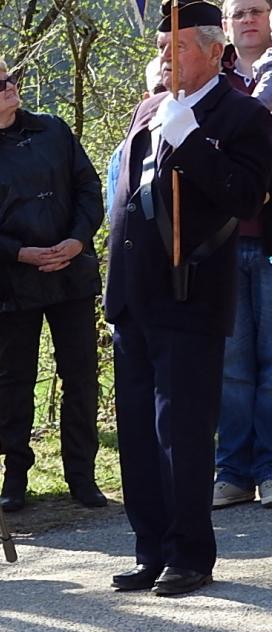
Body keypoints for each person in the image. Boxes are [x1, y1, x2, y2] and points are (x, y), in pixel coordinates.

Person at [106, 0, 272, 596]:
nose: (166, 57)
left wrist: (194, 140)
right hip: (133, 294)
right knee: (138, 435)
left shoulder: (242, 115)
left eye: (178, 47)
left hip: (189, 290)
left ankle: (190, 554)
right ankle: (150, 547)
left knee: (181, 430)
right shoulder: (151, 106)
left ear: (213, 50)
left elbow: (245, 196)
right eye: (161, 47)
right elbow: (126, 198)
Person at [0, 51, 107, 512]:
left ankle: (82, 474)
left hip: (70, 269)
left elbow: (89, 190)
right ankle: (16, 475)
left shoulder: (53, 129)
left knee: (80, 374)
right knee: (16, 378)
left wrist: (77, 240)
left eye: (11, 78)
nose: (10, 86)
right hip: (12, 279)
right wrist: (19, 252)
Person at [213, 0, 272, 508]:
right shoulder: (212, 79)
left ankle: (271, 469)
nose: (248, 19)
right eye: (239, 12)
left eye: (257, 9)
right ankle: (232, 471)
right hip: (225, 240)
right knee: (232, 365)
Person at [107, 57, 168, 213]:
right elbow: (120, 216)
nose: (168, 97)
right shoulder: (124, 154)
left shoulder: (213, 140)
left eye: (177, 87)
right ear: (146, 99)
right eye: (161, 90)